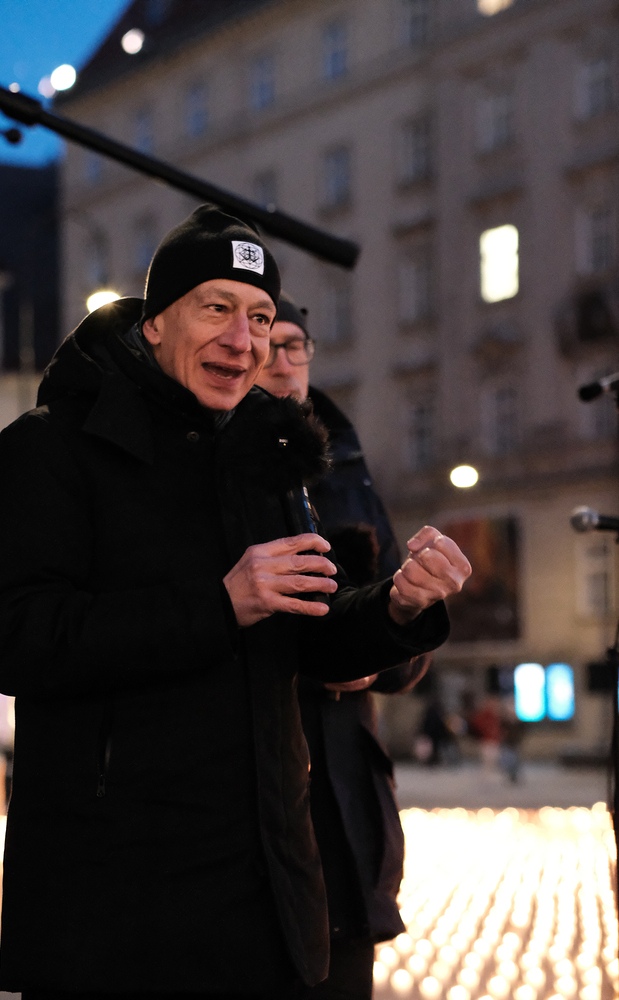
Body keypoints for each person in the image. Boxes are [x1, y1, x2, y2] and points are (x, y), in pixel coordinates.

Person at [0, 206, 471, 1000]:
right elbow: (14, 639)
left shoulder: (264, 457)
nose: (243, 340)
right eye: (217, 308)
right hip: (116, 903)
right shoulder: (49, 446)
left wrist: (397, 609)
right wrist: (217, 603)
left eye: (261, 318)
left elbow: (308, 635)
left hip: (266, 893)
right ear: (156, 322)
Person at [255, 294, 433, 1000]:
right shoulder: (214, 465)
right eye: (267, 344)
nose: (282, 363)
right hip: (262, 787)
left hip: (348, 796)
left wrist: (399, 625)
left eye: (295, 346)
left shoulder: (347, 463)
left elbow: (400, 645)